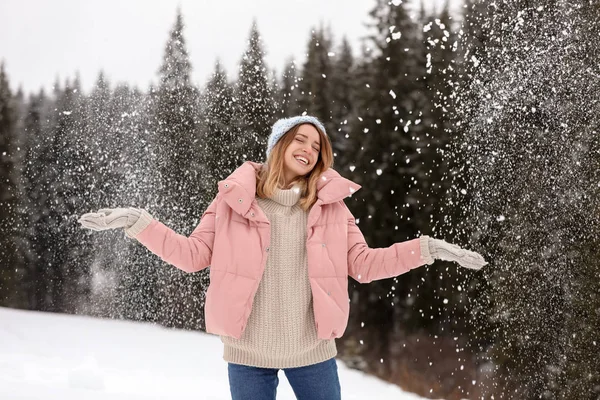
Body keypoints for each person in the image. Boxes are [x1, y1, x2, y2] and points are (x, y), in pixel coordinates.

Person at [78, 115, 487, 400]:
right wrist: (139, 222)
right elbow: (192, 255)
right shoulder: (231, 200)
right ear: (279, 145)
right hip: (248, 354)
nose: (308, 149)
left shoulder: (331, 208)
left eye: (317, 145)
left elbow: (363, 263)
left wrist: (425, 249)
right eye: (300, 139)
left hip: (311, 353)